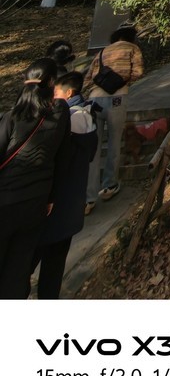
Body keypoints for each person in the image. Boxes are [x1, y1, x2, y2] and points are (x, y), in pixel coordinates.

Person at [0, 57, 69, 298]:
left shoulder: (11, 118)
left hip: (4, 200)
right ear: (51, 83)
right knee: (18, 267)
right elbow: (62, 159)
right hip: (36, 202)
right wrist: (51, 197)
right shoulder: (60, 115)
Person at [30, 70, 98, 299]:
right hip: (70, 207)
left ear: (68, 93)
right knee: (54, 266)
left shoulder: (68, 119)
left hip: (52, 207)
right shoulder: (86, 115)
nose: (53, 97)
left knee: (29, 261)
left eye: (56, 93)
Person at [84, 25, 144, 212]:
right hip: (117, 98)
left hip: (94, 99)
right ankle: (109, 185)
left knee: (93, 148)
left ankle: (88, 198)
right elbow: (138, 72)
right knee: (114, 142)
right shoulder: (133, 48)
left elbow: (88, 78)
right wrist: (123, 82)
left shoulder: (102, 52)